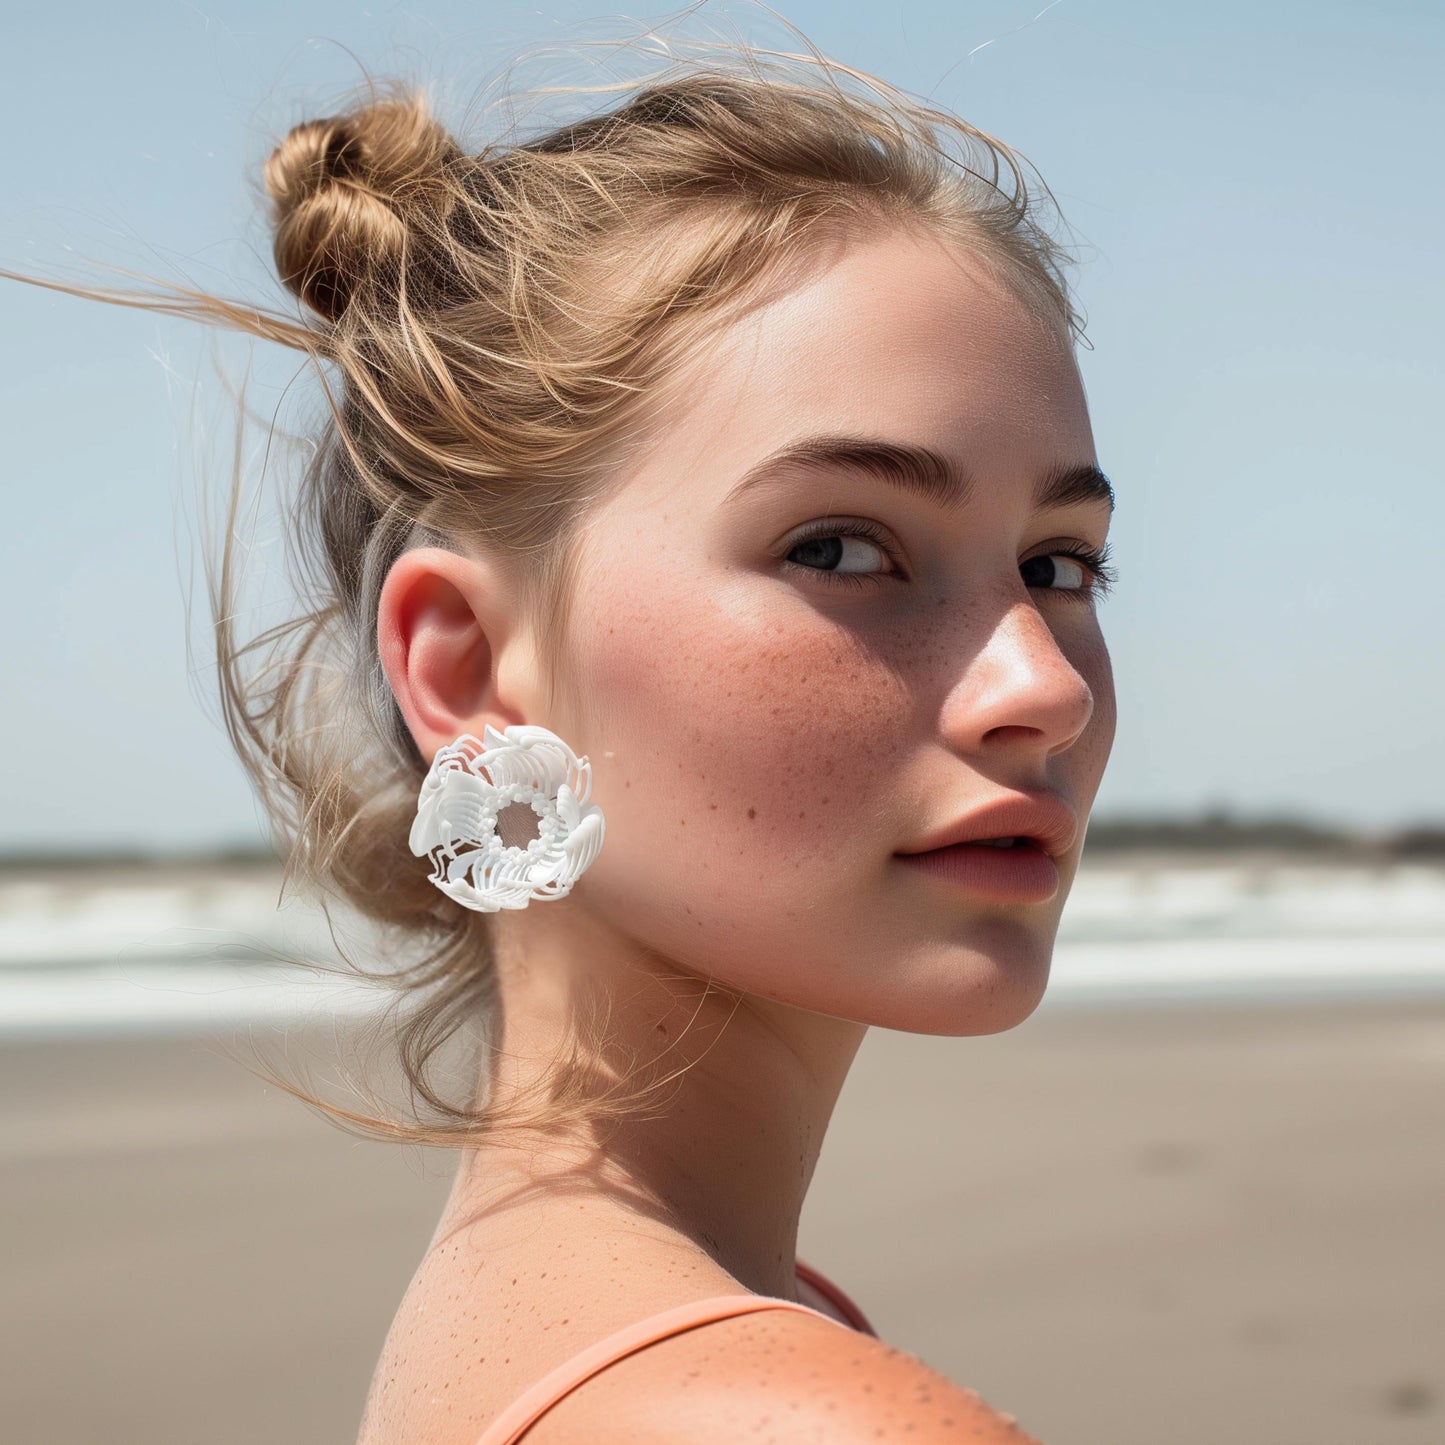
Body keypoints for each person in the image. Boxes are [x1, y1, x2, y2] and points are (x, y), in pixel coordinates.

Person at [5, 22, 1117, 1443]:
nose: (1046, 684)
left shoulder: (554, 1329)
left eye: (1060, 564)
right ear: (466, 668)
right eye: (842, 547)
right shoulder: (781, 1413)